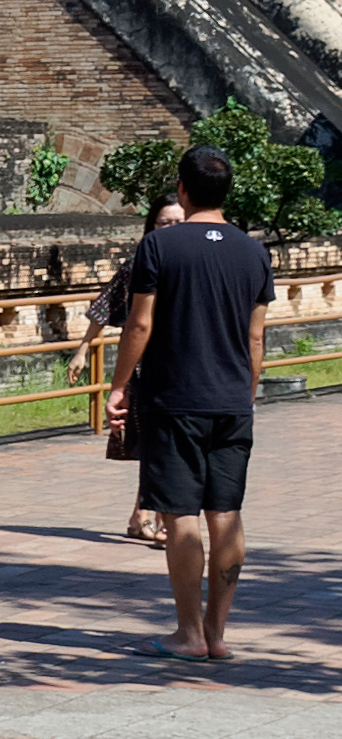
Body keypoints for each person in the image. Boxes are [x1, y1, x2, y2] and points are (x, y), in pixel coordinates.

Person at [105, 142, 274, 663]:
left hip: (174, 399)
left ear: (182, 188)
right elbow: (256, 339)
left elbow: (139, 322)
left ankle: (189, 632)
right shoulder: (254, 251)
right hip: (231, 401)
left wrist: (117, 386)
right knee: (226, 512)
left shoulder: (160, 247)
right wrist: (244, 393)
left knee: (180, 514)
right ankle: (218, 634)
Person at [69, 196, 180, 547]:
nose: (172, 230)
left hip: (182, 366)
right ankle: (160, 522)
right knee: (159, 446)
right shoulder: (139, 266)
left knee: (160, 447)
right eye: (165, 223)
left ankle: (142, 517)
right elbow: (106, 305)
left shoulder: (194, 261)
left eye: (180, 222)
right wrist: (83, 349)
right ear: (152, 227)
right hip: (145, 369)